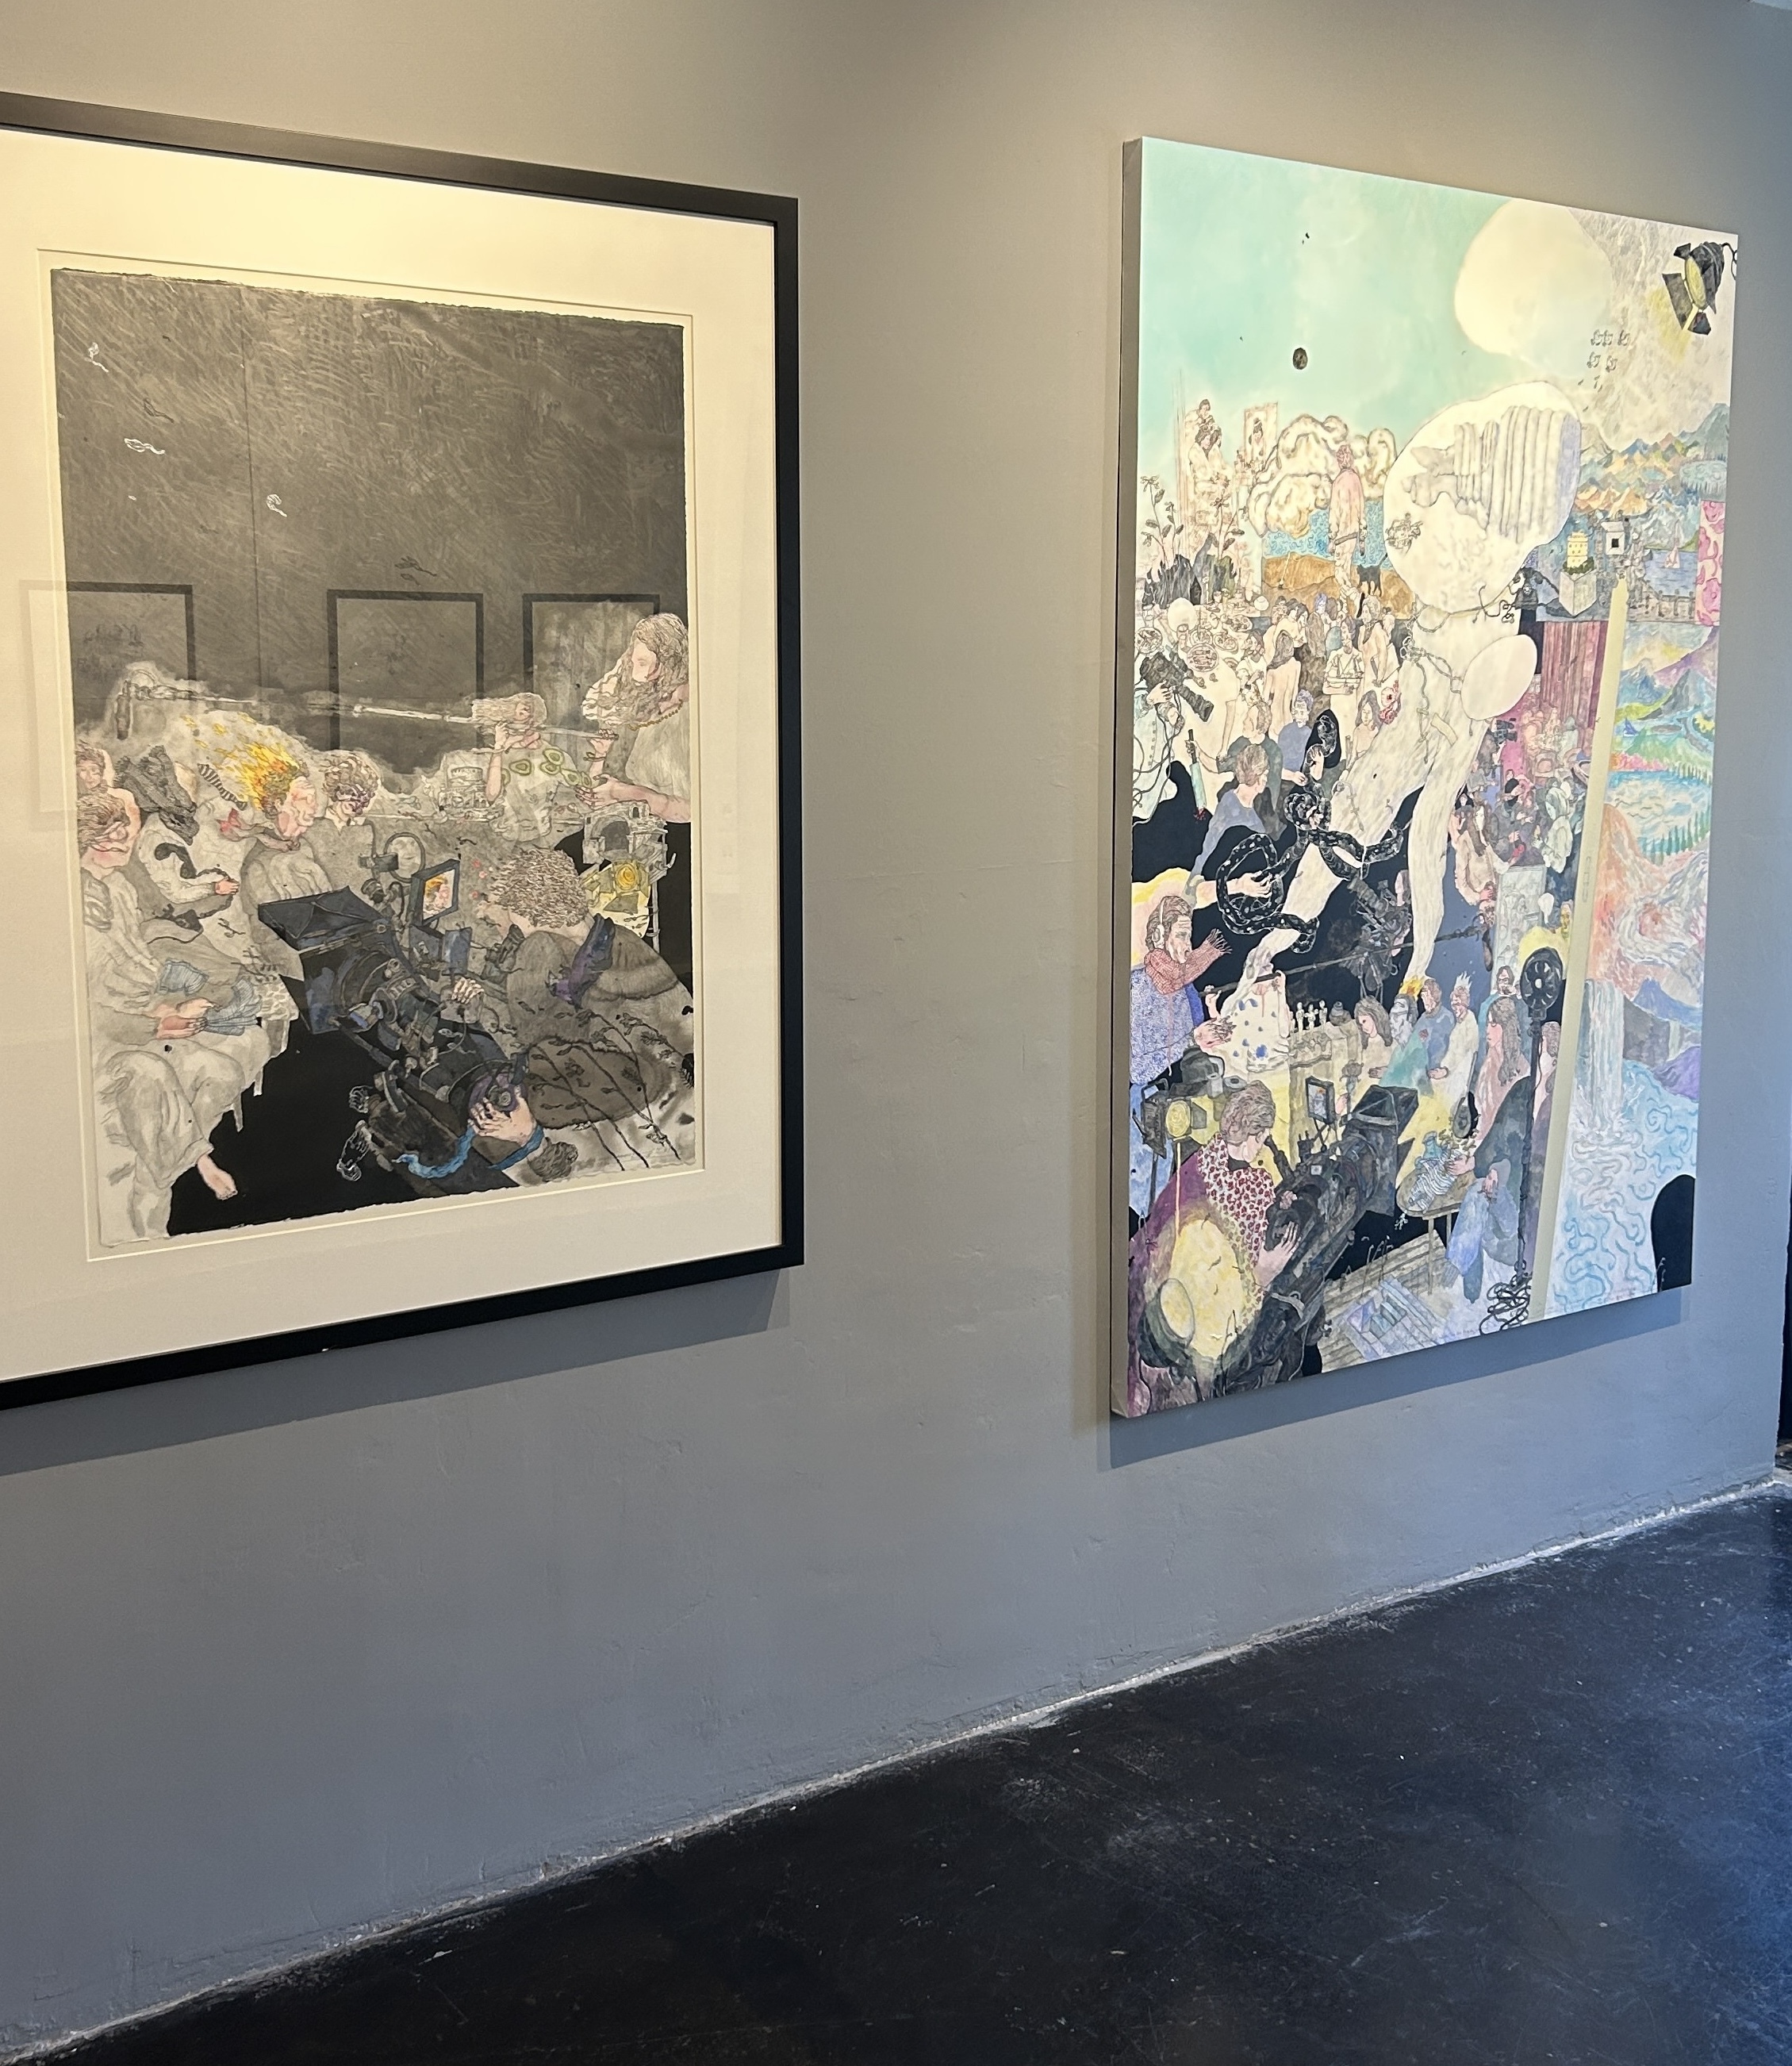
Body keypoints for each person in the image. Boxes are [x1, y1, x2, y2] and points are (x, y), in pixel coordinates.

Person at [77, 790, 277, 1242]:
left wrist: (175, 995)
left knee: (222, 1069)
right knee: (151, 1073)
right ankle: (188, 1166)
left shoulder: (119, 887)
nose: (124, 840)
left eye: (124, 830)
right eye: (111, 834)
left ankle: (172, 1163)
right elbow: (86, 1010)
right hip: (100, 1043)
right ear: (87, 840)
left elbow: (137, 957)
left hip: (139, 1011)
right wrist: (157, 1022)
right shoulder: (71, 903)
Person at [581, 613, 693, 824]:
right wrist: (601, 758)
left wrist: (623, 793)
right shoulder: (649, 712)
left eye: (643, 663)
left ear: (668, 662)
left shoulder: (690, 714)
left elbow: (691, 812)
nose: (635, 676)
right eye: (633, 664)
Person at [1197, 1081, 1297, 1288]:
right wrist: (1268, 1272)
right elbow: (1252, 1263)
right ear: (1255, 1136)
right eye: (1261, 1140)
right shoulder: (1257, 1185)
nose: (1260, 1149)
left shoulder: (1205, 1157)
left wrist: (1276, 1204)